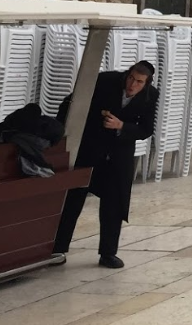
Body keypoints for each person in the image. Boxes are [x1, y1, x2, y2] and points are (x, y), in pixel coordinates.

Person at [53, 62, 159, 268]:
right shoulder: (106, 81)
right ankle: (58, 248)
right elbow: (71, 103)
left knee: (114, 203)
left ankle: (108, 253)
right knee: (73, 198)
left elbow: (146, 129)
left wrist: (122, 126)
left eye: (139, 82)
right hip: (90, 148)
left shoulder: (150, 95)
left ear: (146, 84)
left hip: (119, 154)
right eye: (131, 78)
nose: (132, 85)